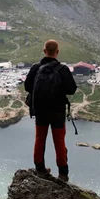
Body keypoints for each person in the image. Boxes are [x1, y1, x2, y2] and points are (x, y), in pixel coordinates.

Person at [24, 40, 77, 181]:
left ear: (44, 51)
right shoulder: (62, 69)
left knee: (40, 138)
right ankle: (63, 173)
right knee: (59, 141)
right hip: (57, 111)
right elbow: (72, 89)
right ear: (57, 52)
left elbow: (27, 87)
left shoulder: (36, 68)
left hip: (40, 110)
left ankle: (40, 169)